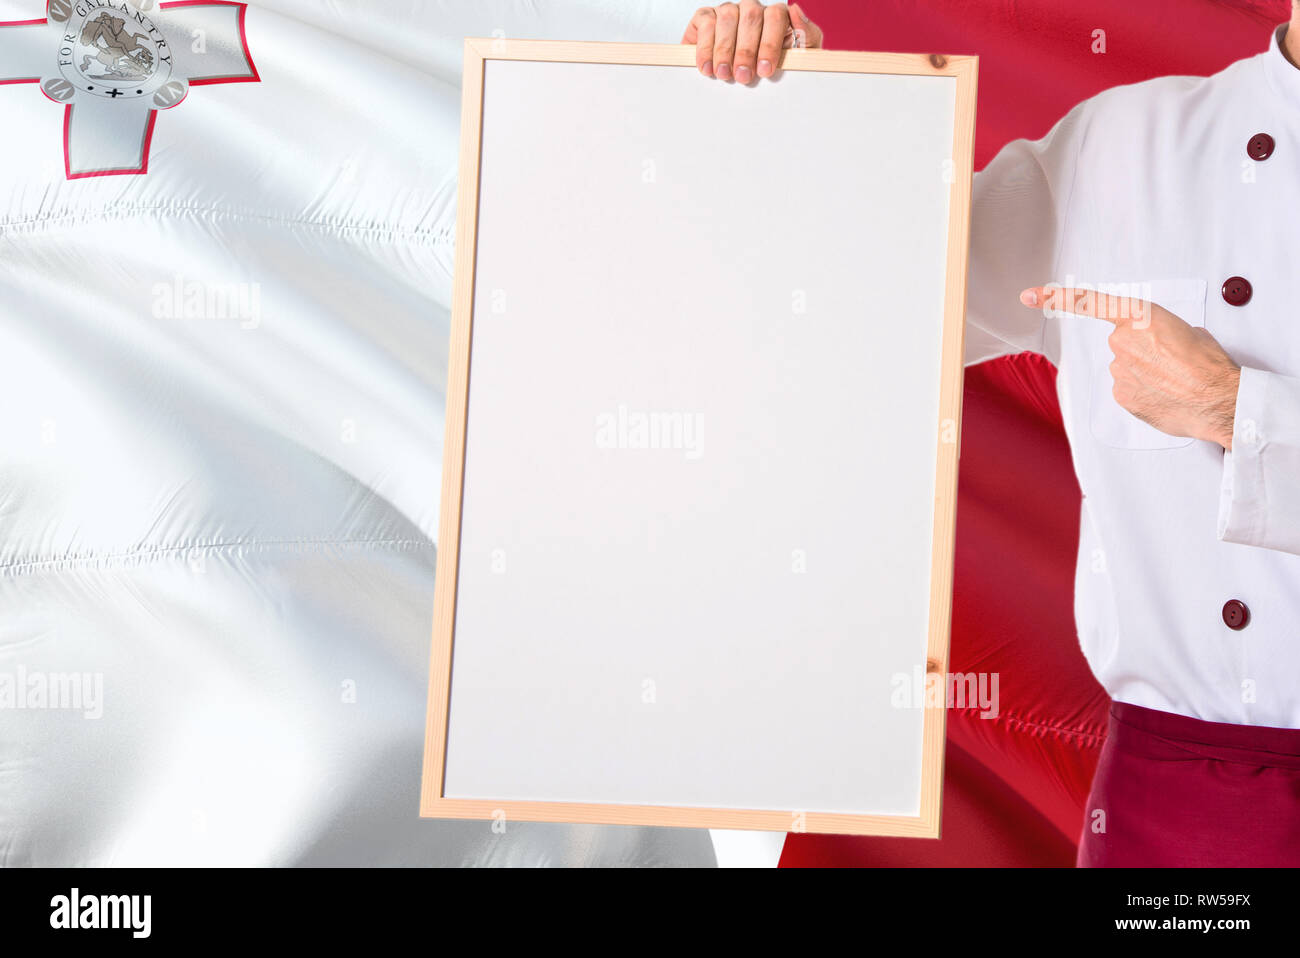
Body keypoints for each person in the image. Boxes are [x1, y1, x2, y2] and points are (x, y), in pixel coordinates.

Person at [680, 2, 1300, 866]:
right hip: (1163, 810)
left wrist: (1237, 413)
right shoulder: (1116, 145)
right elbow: (870, 303)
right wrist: (800, 106)